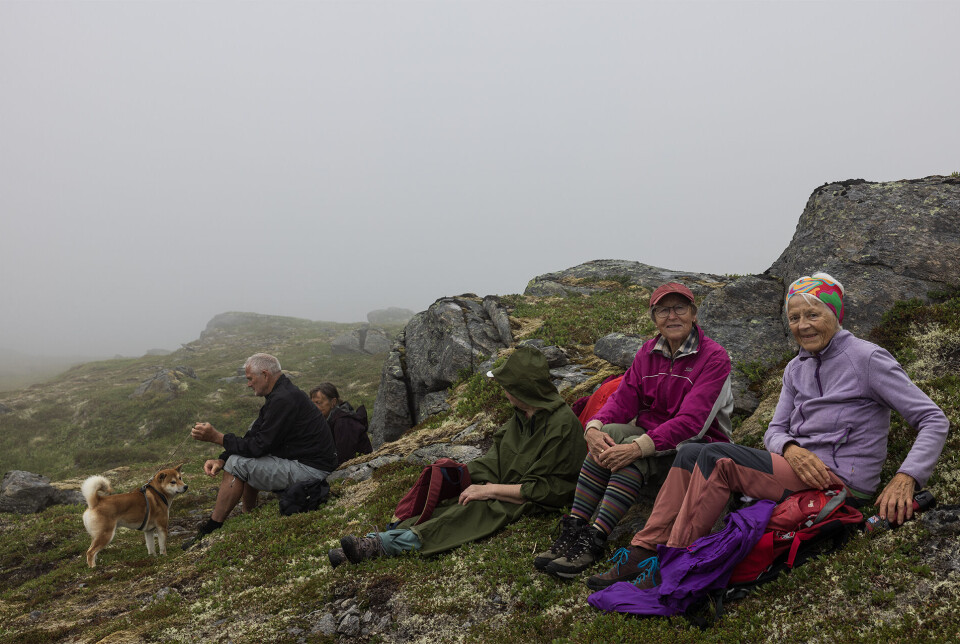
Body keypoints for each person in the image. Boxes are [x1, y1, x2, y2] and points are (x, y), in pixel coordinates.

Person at [590, 273, 950, 590]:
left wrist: (908, 476)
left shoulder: (868, 359)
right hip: (797, 469)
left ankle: (674, 564)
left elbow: (933, 419)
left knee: (715, 457)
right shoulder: (796, 367)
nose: (803, 325)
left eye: (813, 314)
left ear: (835, 315)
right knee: (690, 451)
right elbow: (775, 429)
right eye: (794, 317)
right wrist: (791, 448)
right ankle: (644, 551)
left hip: (842, 482)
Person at [538, 282, 735, 585]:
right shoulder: (647, 352)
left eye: (680, 308)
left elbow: (693, 423)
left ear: (694, 313)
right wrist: (593, 427)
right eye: (663, 310)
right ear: (654, 317)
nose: (672, 316)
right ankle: (575, 527)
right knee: (609, 435)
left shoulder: (714, 357)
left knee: (630, 446)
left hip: (695, 450)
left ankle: (595, 539)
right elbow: (621, 401)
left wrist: (638, 446)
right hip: (655, 440)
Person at [327, 345, 587, 566]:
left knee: (469, 514)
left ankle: (384, 546)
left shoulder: (561, 425)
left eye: (506, 386)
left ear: (522, 389)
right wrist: (459, 475)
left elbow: (549, 489)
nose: (503, 391)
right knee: (449, 500)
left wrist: (489, 490)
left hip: (530, 499)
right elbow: (498, 458)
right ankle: (373, 543)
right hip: (506, 485)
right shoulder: (523, 415)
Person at [183, 353, 338, 548]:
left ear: (265, 374)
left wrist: (216, 437)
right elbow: (255, 436)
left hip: (313, 471)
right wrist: (222, 459)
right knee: (238, 460)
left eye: (250, 378)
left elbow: (258, 447)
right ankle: (250, 513)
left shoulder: (284, 399)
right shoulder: (281, 395)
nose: (248, 384)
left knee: (238, 464)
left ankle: (212, 528)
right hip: (309, 464)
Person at [310, 383, 373, 466]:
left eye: (319, 403)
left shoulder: (343, 422)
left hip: (359, 466)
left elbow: (344, 457)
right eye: (313, 403)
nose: (315, 407)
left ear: (333, 402)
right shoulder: (328, 418)